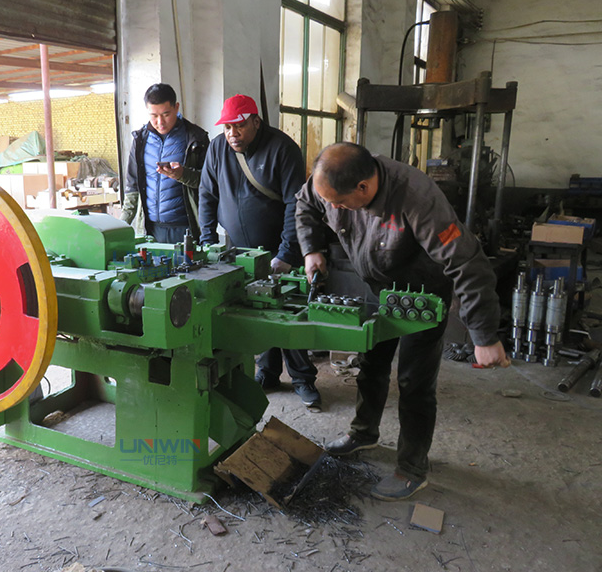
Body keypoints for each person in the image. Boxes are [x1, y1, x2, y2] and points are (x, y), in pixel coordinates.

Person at [296, 141, 510, 500]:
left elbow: (467, 264)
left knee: (414, 380)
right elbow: (306, 203)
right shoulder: (329, 183)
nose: (332, 208)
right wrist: (311, 249)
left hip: (422, 294)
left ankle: (412, 467)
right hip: (377, 285)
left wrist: (484, 335)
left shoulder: (417, 197)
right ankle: (364, 433)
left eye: (338, 203)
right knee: (372, 362)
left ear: (363, 188)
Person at [198, 94, 320, 408]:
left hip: (280, 248)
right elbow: (207, 195)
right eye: (227, 128)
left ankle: (303, 378)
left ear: (256, 121)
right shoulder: (217, 148)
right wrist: (207, 240)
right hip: (240, 249)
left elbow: (297, 204)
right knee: (256, 311)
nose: (232, 134)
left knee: (286, 313)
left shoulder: (283, 149)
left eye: (238, 126)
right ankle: (267, 371)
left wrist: (287, 253)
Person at [121, 83, 210, 243]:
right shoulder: (140, 140)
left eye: (166, 114)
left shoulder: (196, 138)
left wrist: (183, 175)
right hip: (150, 230)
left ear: (176, 107)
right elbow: (132, 187)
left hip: (186, 228)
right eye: (154, 116)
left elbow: (210, 183)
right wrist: (120, 227)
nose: (160, 122)